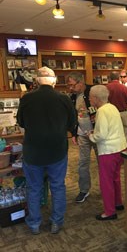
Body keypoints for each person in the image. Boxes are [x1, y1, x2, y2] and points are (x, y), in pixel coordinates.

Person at [16, 67, 77, 235]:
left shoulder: (27, 98)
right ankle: (56, 222)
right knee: (57, 186)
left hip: (33, 151)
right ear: (54, 81)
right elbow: (72, 123)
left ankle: (34, 223)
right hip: (57, 150)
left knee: (33, 187)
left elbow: (21, 122)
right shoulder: (63, 98)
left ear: (36, 81)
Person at [88, 85, 127, 220]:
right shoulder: (112, 107)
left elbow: (101, 135)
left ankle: (109, 211)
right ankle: (118, 203)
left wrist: (91, 136)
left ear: (95, 98)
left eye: (90, 97)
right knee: (115, 178)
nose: (89, 99)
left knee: (106, 182)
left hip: (108, 151)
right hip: (120, 147)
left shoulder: (101, 111)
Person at [67, 72, 97, 203]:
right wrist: (74, 133)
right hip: (82, 134)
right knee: (82, 163)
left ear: (80, 83)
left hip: (97, 134)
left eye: (72, 85)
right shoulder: (72, 97)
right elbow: (73, 116)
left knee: (102, 162)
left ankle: (108, 190)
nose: (70, 88)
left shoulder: (93, 91)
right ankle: (84, 190)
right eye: (69, 85)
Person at [106, 71, 127, 143]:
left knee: (112, 131)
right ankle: (124, 148)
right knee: (125, 130)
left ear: (110, 78)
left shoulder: (107, 87)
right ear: (119, 78)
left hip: (111, 113)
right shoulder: (123, 87)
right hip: (123, 112)